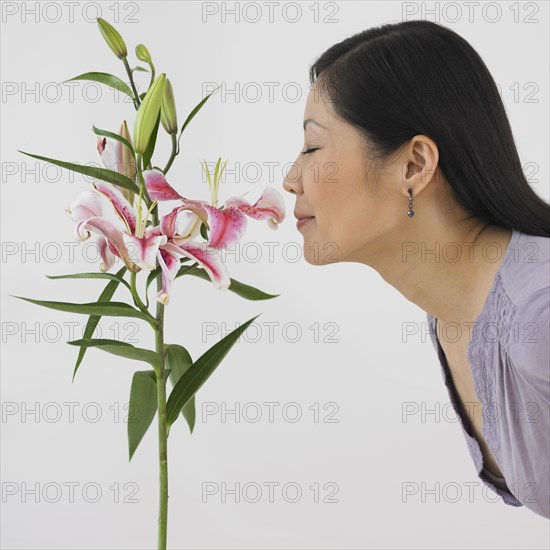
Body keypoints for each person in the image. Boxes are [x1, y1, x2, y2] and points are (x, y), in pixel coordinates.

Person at [283, 19, 550, 519]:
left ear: (413, 165)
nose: (290, 178)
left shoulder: (538, 312)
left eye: (313, 147)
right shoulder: (451, 313)